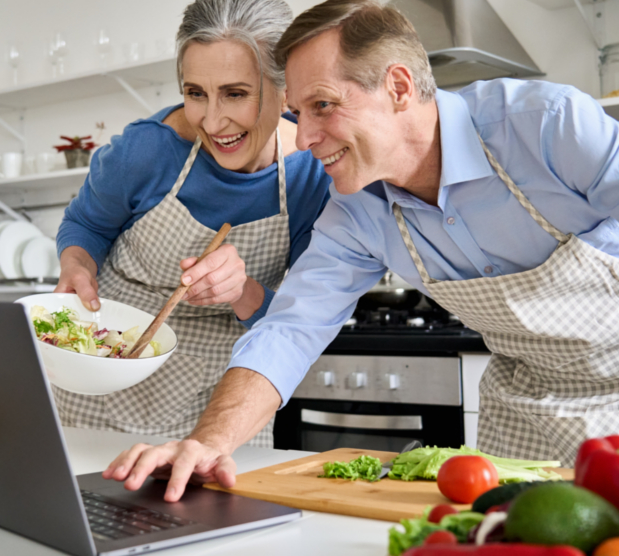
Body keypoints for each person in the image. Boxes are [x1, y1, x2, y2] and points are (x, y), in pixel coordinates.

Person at [102, 0, 619, 499]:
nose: (302, 138)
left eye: (322, 105)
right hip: (522, 411)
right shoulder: (355, 211)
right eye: (297, 113)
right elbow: (289, 330)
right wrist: (207, 443)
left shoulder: (545, 125)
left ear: (398, 86)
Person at [54, 0, 330, 446]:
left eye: (236, 93)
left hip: (222, 402)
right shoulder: (147, 150)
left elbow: (298, 322)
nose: (213, 120)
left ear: (286, 91)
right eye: (196, 92)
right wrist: (77, 266)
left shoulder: (310, 177)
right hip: (103, 381)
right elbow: (86, 225)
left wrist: (243, 291)